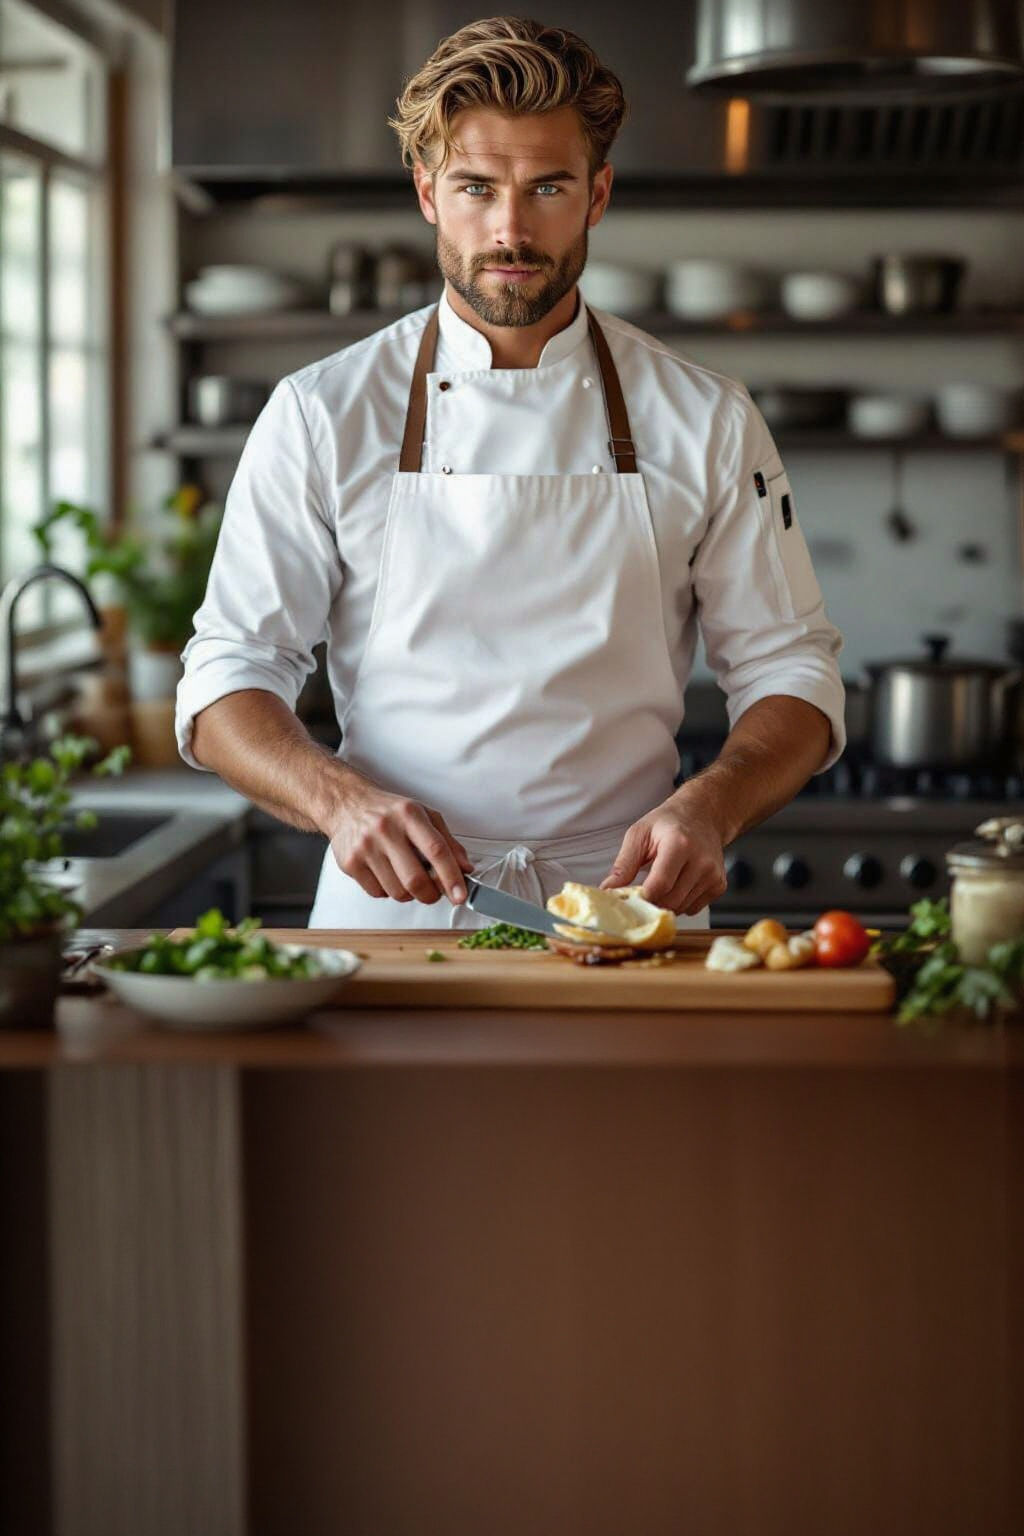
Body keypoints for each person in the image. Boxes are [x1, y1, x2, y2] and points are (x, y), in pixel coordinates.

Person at [175, 16, 845, 931]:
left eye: (548, 187)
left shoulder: (706, 418)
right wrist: (339, 801)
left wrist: (711, 804)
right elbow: (225, 678)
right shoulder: (320, 411)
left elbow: (792, 671)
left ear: (597, 195)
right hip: (395, 913)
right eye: (476, 188)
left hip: (627, 905)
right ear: (427, 193)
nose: (510, 228)